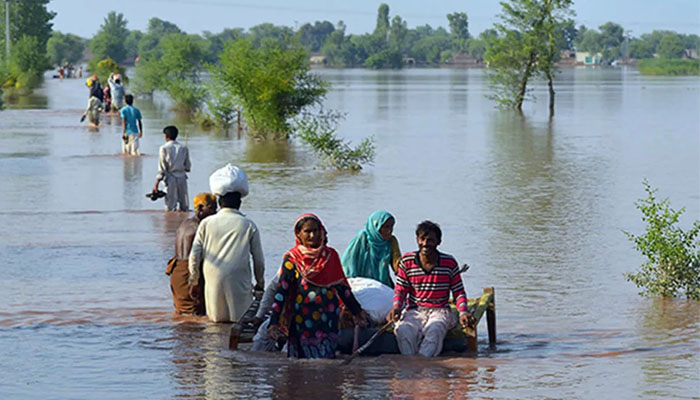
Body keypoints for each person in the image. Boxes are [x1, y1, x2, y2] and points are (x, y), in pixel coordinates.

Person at [267, 213, 367, 359]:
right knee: (302, 363)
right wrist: (273, 321)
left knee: (326, 360)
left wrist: (357, 312)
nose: (312, 235)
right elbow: (282, 290)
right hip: (302, 320)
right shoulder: (292, 258)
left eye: (316, 230)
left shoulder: (331, 256)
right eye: (307, 231)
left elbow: (343, 289)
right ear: (299, 234)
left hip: (328, 319)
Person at [188, 166, 265, 323]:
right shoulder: (248, 224)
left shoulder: (206, 224)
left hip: (213, 279)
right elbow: (259, 260)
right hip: (239, 281)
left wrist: (194, 280)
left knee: (215, 325)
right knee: (239, 323)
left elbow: (194, 255)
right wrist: (260, 284)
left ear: (219, 202)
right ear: (239, 202)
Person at [386, 220, 474, 357]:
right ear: (417, 240)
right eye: (422, 239)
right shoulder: (407, 261)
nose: (425, 244)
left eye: (430, 240)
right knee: (403, 330)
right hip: (414, 311)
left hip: (440, 310)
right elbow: (400, 290)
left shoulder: (449, 263)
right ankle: (411, 367)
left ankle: (425, 368)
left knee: (435, 329)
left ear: (439, 242)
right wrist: (396, 308)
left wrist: (463, 312)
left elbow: (458, 292)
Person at [166, 193, 217, 315]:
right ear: (200, 209)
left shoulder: (185, 223)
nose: (215, 212)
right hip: (189, 273)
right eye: (211, 208)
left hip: (176, 272)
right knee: (195, 315)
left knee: (182, 315)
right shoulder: (201, 227)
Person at [341, 210, 402, 288]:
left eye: (391, 226)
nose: (389, 230)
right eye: (386, 227)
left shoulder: (391, 242)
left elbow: (397, 265)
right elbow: (349, 261)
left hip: (383, 285)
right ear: (376, 226)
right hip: (362, 284)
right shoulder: (363, 238)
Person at [153, 125, 191, 212]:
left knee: (170, 207)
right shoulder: (183, 148)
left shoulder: (163, 148)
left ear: (166, 136)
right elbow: (188, 166)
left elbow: (162, 168)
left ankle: (170, 224)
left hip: (170, 179)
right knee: (184, 206)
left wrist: (156, 183)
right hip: (182, 178)